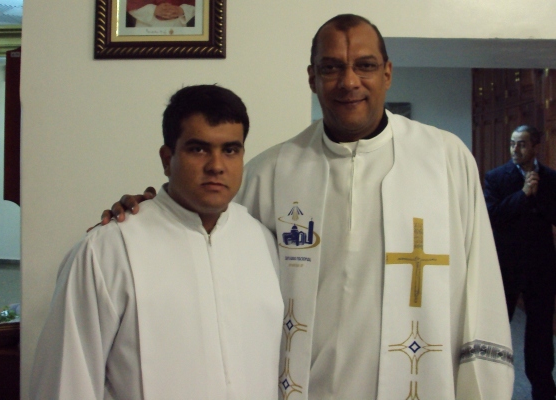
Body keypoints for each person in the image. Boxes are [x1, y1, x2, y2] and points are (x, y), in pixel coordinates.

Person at [102, 14, 514, 399]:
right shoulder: (271, 172)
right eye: (332, 67)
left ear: (387, 73)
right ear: (312, 77)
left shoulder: (445, 158)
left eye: (365, 66)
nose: (349, 82)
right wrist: (151, 212)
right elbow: (206, 246)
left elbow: (481, 285)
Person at [30, 85, 284, 399]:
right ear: (167, 158)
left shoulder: (263, 242)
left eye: (230, 150)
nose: (217, 165)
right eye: (198, 149)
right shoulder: (108, 251)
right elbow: (66, 382)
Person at [484, 125, 556, 400]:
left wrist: (538, 196)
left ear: (535, 146)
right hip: (505, 265)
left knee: (539, 331)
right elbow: (492, 216)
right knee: (498, 328)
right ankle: (492, 385)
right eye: (513, 143)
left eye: (522, 144)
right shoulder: (495, 177)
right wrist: (523, 195)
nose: (516, 149)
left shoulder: (550, 178)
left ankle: (543, 387)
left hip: (541, 266)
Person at [127, 0, 195, 28]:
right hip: (146, 25)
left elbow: (201, 6)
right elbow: (128, 3)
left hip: (178, 25)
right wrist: (153, 10)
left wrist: (182, 10)